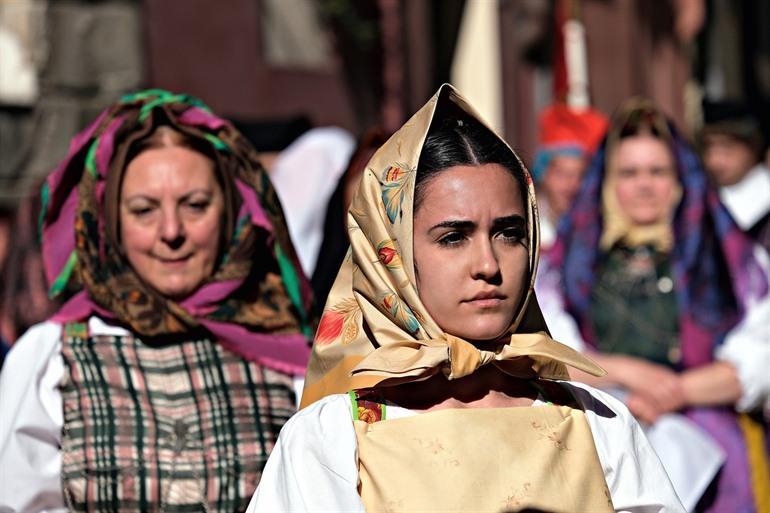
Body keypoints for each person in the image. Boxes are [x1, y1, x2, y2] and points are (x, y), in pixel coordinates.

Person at [247, 85, 683, 512]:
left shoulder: (597, 423)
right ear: (392, 254)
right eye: (454, 237)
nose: (488, 265)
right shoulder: (334, 440)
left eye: (509, 233)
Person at [0, 90, 314, 512]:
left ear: (233, 212)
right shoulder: (52, 356)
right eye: (144, 209)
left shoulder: (287, 355)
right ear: (109, 220)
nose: (171, 231)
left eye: (195, 205)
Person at [543, 98, 770, 512]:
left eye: (657, 171)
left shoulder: (727, 259)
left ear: (680, 179)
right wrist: (631, 376)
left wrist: (674, 392)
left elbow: (759, 357)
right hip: (604, 435)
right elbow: (551, 353)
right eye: (629, 173)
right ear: (608, 181)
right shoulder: (568, 262)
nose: (644, 184)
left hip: (712, 449)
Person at [532, 104, 607, 250]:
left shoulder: (599, 231)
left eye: (581, 175)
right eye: (562, 174)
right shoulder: (528, 229)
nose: (572, 185)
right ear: (544, 175)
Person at [701, 101, 770, 251]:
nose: (714, 161)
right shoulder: (701, 198)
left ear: (754, 147)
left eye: (727, 148)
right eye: (709, 148)